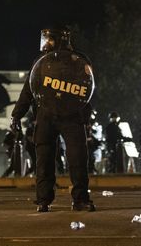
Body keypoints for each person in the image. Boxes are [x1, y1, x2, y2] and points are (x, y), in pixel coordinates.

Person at [10, 26, 95, 212]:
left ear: (60, 40)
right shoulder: (41, 62)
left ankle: (80, 199)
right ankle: (43, 200)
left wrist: (85, 117)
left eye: (49, 39)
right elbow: (29, 91)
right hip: (46, 115)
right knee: (44, 160)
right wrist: (17, 114)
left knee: (77, 159)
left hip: (72, 116)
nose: (45, 43)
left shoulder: (77, 61)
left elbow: (87, 91)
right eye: (45, 39)